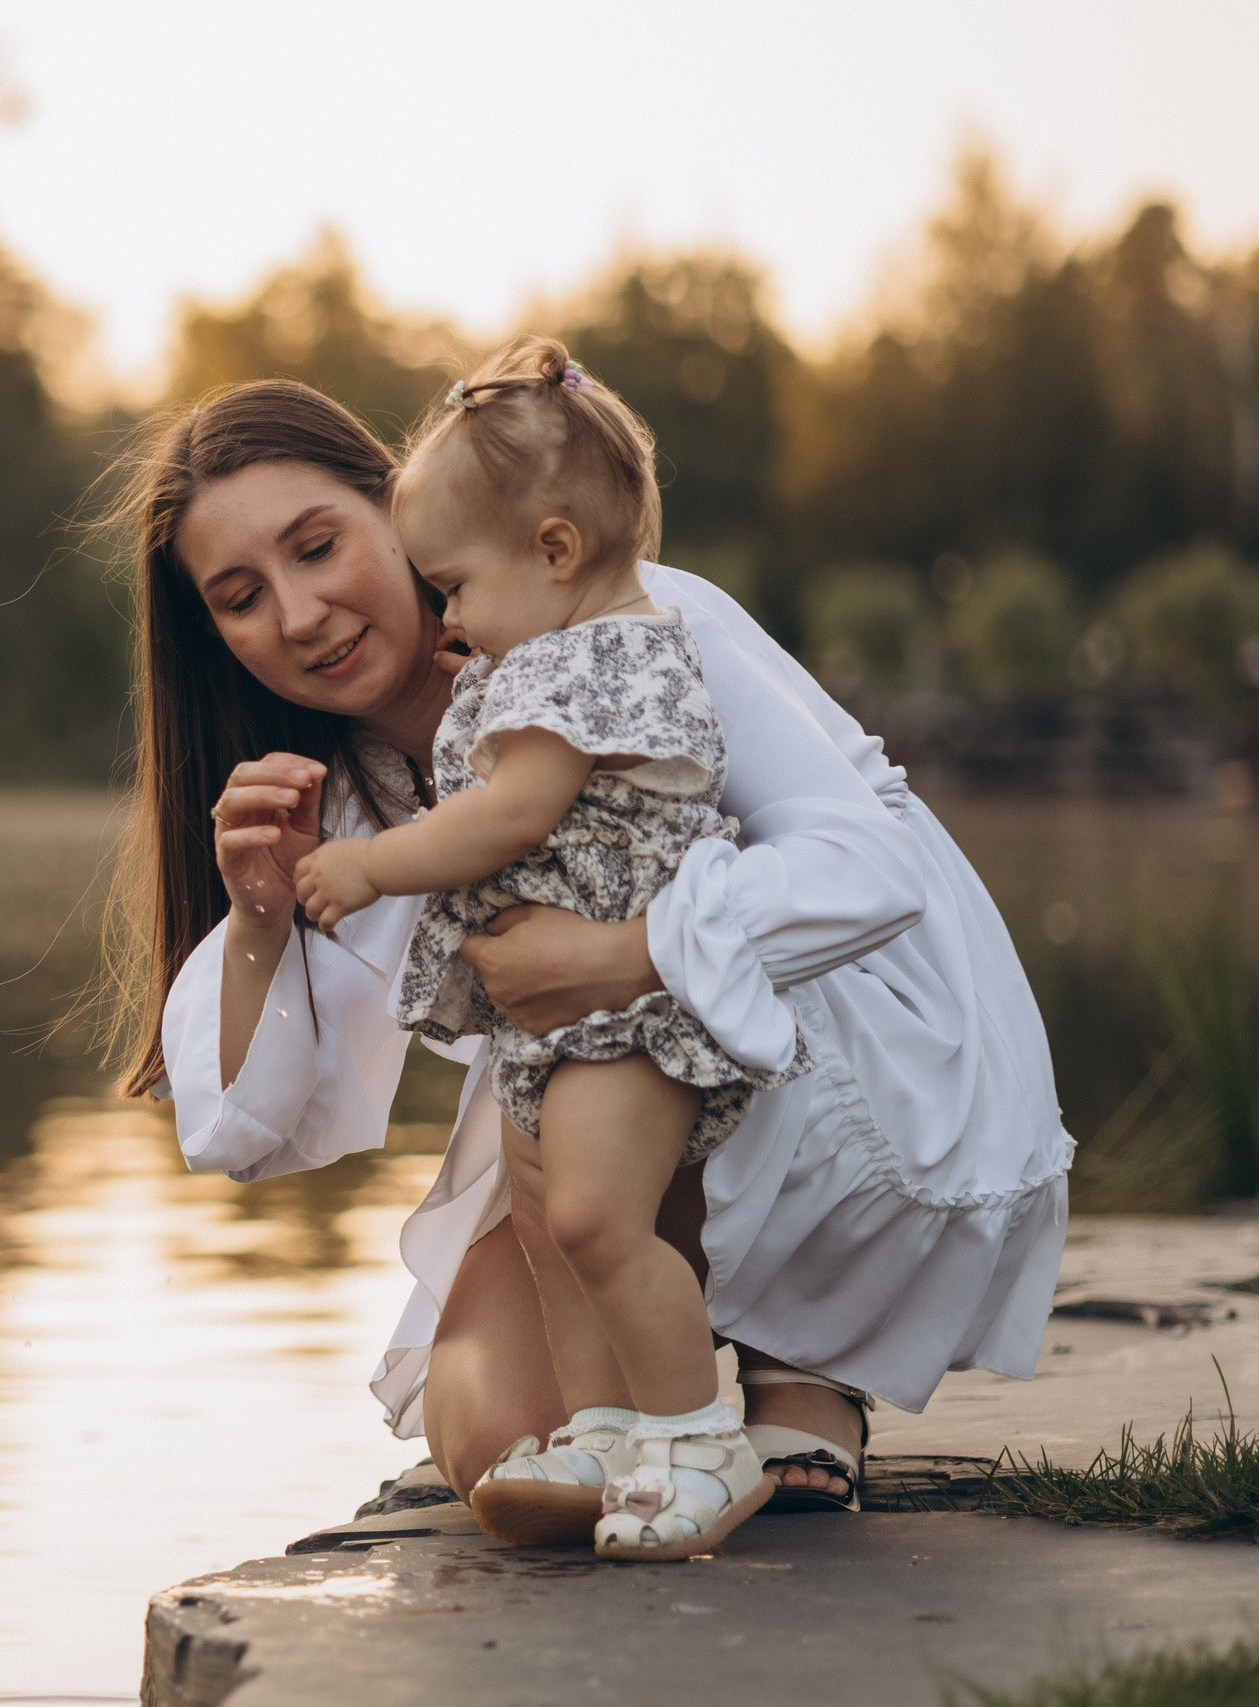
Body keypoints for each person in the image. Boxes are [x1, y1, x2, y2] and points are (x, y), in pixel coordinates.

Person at [92, 361, 1070, 1527]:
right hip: (596, 1086)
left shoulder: (633, 632)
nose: (297, 615)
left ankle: (798, 1362)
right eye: (239, 595)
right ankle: (673, 1408)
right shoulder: (342, 793)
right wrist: (260, 915)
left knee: (606, 1131)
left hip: (843, 1030)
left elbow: (873, 874)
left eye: (317, 547)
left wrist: (623, 956)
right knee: (501, 1442)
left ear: (395, 507)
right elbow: (247, 1133)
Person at [293, 341, 807, 1558]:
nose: (447, 617)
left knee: (597, 1221)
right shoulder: (566, 652)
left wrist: (368, 863)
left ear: (556, 551)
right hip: (553, 1016)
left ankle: (696, 1438)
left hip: (617, 1007)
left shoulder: (598, 661)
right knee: (542, 1225)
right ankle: (606, 1426)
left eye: (455, 585)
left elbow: (511, 816)